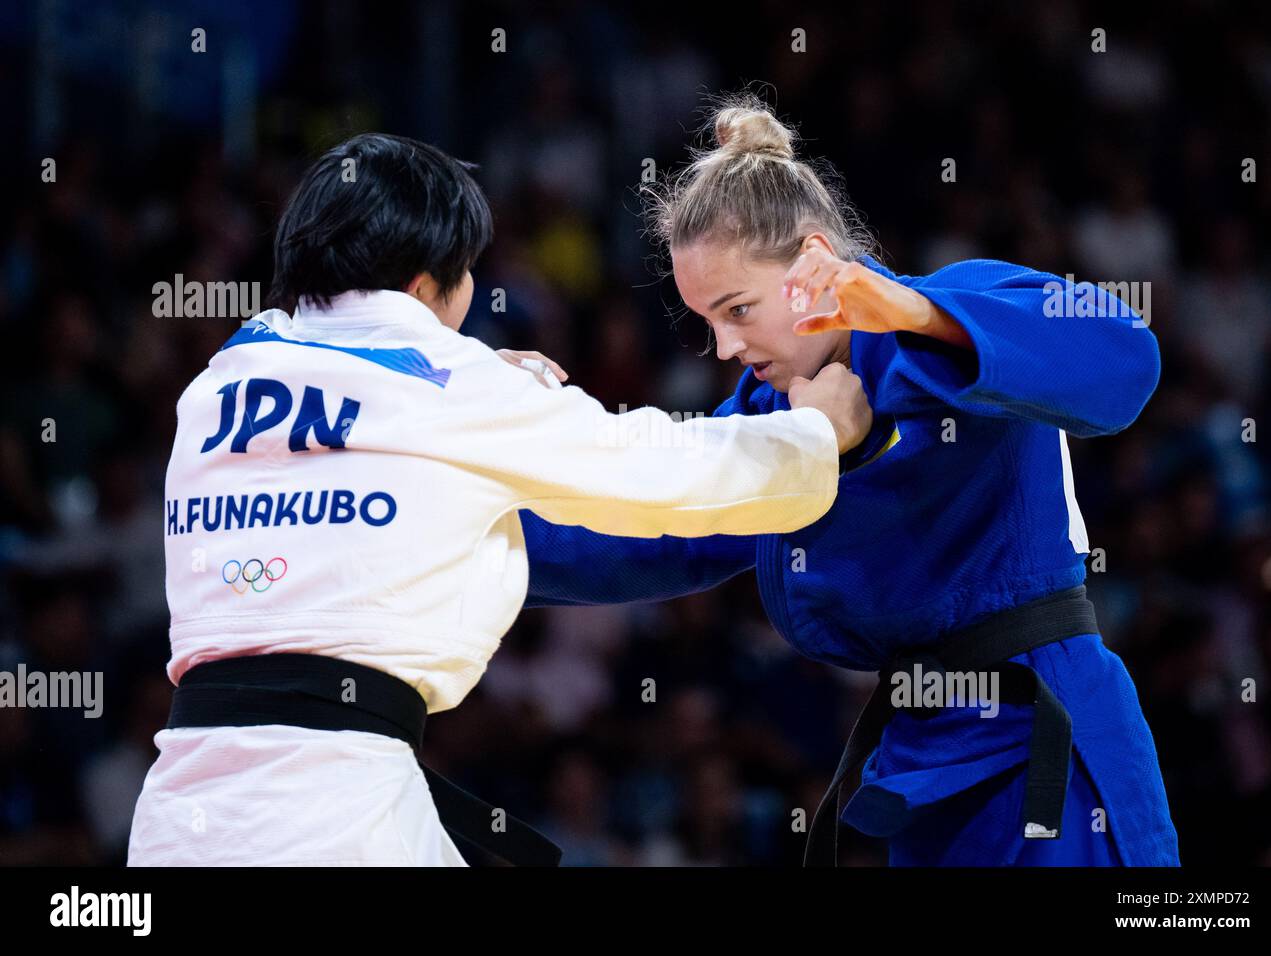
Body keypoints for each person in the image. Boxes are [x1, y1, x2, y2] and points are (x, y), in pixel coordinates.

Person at [126, 132, 870, 866]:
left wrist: (483, 379)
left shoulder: (218, 384)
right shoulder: (456, 386)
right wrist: (813, 436)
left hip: (181, 813)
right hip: (337, 816)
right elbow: (656, 469)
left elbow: (355, 422)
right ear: (426, 284)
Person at [521, 96, 1181, 866]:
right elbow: (652, 532)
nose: (726, 345)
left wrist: (914, 313)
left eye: (738, 309)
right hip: (923, 755)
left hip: (1049, 742)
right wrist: (442, 520)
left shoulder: (953, 311)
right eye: (709, 321)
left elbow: (1125, 356)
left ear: (812, 263)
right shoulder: (772, 413)